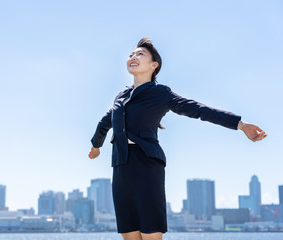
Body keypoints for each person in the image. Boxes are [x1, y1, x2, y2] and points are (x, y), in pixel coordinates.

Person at [88, 37, 267, 240]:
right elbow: (105, 122)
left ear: (154, 65)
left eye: (140, 54)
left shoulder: (161, 93)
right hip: (121, 166)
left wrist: (241, 125)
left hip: (147, 164)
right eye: (131, 54)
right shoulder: (121, 96)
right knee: (129, 233)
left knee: (150, 232)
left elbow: (198, 109)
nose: (133, 57)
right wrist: (96, 147)